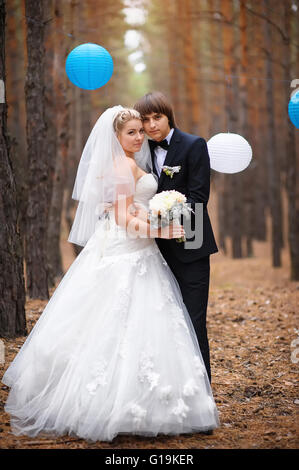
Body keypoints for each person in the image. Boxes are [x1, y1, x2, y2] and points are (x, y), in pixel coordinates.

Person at [2, 106, 219, 443]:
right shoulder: (120, 166)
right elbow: (122, 219)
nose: (138, 136)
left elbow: (139, 203)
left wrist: (154, 220)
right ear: (115, 136)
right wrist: (158, 230)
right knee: (116, 323)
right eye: (131, 132)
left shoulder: (137, 163)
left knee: (150, 326)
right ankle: (109, 404)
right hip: (127, 250)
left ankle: (155, 402)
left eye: (139, 131)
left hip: (144, 253)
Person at [134, 92, 218, 383]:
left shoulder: (194, 145)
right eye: (145, 120)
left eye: (156, 117)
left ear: (168, 115)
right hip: (153, 250)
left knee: (193, 321)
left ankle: (201, 396)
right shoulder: (140, 150)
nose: (151, 125)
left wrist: (163, 219)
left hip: (190, 244)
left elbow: (198, 198)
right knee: (162, 322)